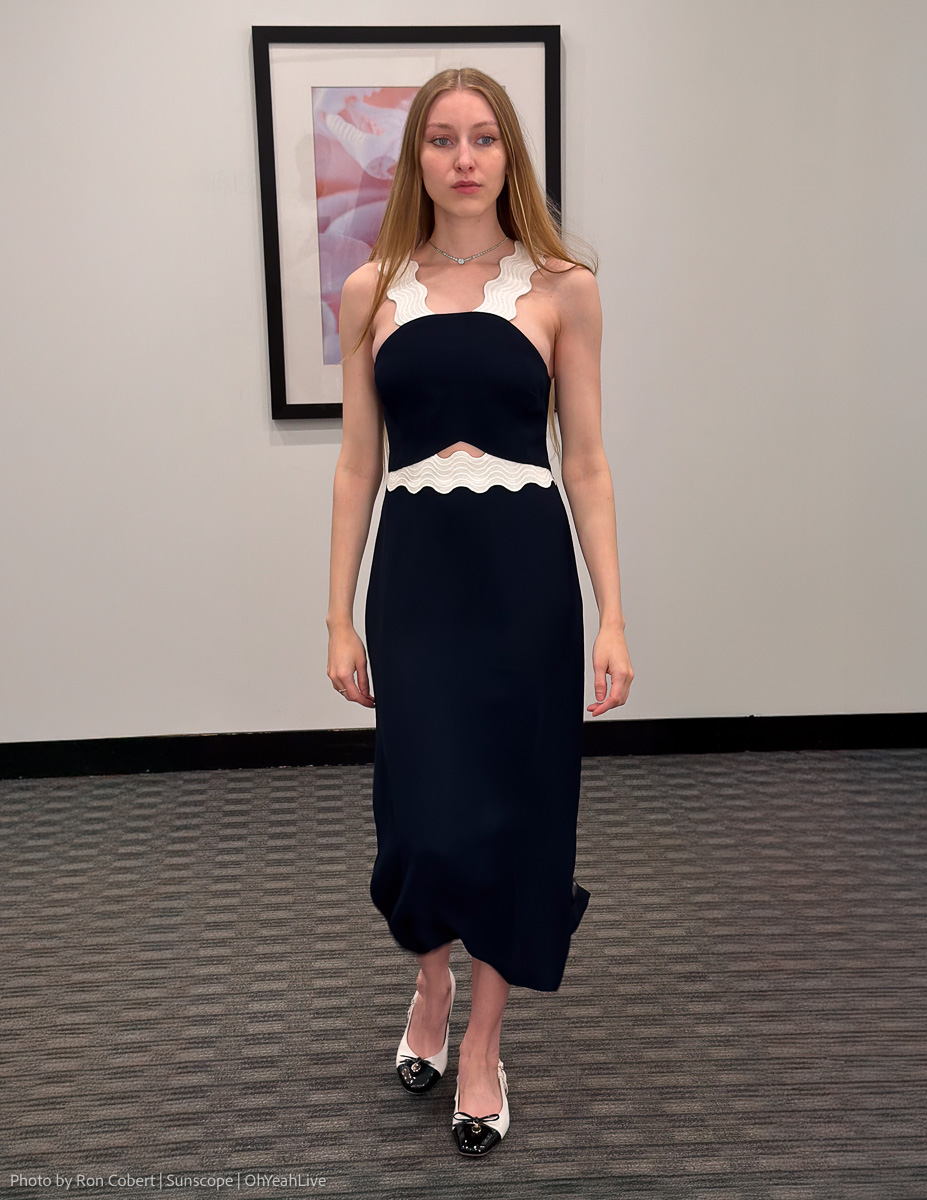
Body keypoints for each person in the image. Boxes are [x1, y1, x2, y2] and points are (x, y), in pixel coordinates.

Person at [326, 66, 633, 1156]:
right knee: (419, 816)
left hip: (524, 585)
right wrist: (336, 616)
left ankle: (486, 1046)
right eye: (443, 138)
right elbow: (356, 464)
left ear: (511, 155)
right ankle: (431, 985)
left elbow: (586, 462)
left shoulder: (562, 288)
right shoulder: (371, 289)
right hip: (417, 583)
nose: (464, 158)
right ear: (415, 156)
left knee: (514, 814)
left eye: (485, 137)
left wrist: (612, 615)